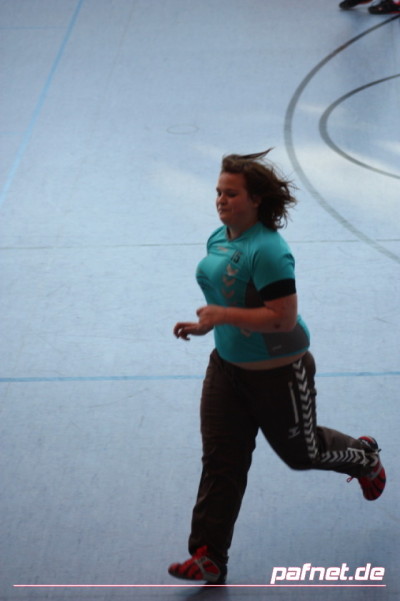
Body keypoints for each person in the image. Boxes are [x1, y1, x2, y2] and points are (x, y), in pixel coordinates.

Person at [168, 151, 386, 585]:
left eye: (231, 194)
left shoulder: (269, 251)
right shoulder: (219, 238)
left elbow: (282, 319)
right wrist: (207, 325)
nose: (221, 200)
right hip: (227, 369)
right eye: (218, 192)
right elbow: (229, 296)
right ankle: (209, 555)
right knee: (221, 460)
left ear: (256, 200)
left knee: (303, 454)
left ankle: (364, 459)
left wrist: (222, 316)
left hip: (280, 375)